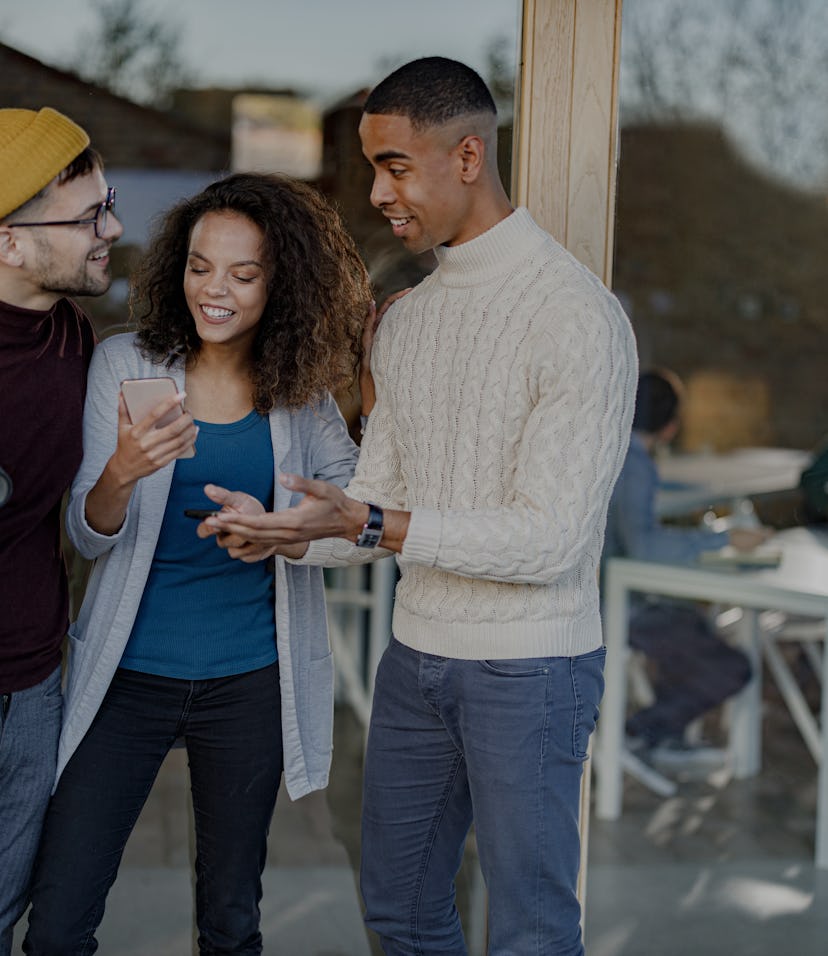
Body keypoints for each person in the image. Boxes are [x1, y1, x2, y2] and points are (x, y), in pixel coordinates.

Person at [200, 57, 638, 956]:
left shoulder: (577, 317)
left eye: (396, 166)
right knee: (398, 912)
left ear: (467, 156)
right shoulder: (408, 319)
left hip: (531, 674)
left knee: (530, 930)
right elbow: (378, 501)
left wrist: (366, 524)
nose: (377, 192)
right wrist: (289, 533)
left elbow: (550, 540)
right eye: (373, 166)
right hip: (417, 664)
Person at [22, 172, 371, 954]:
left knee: (231, 916)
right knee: (60, 916)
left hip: (245, 685)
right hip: (126, 679)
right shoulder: (125, 365)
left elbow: (356, 525)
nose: (215, 290)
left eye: (244, 275)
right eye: (199, 266)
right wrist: (123, 470)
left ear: (280, 284)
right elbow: (86, 533)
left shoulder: (302, 397)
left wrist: (282, 532)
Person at [0, 107, 122, 954]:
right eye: (88, 217)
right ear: (10, 242)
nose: (113, 228)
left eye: (105, 204)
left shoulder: (75, 339)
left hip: (35, 682)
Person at [603, 369, 767, 762]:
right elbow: (644, 546)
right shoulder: (635, 463)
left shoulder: (609, 451)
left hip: (602, 599)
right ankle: (642, 732)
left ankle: (661, 732)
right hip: (617, 606)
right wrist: (723, 538)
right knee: (733, 666)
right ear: (671, 427)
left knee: (691, 625)